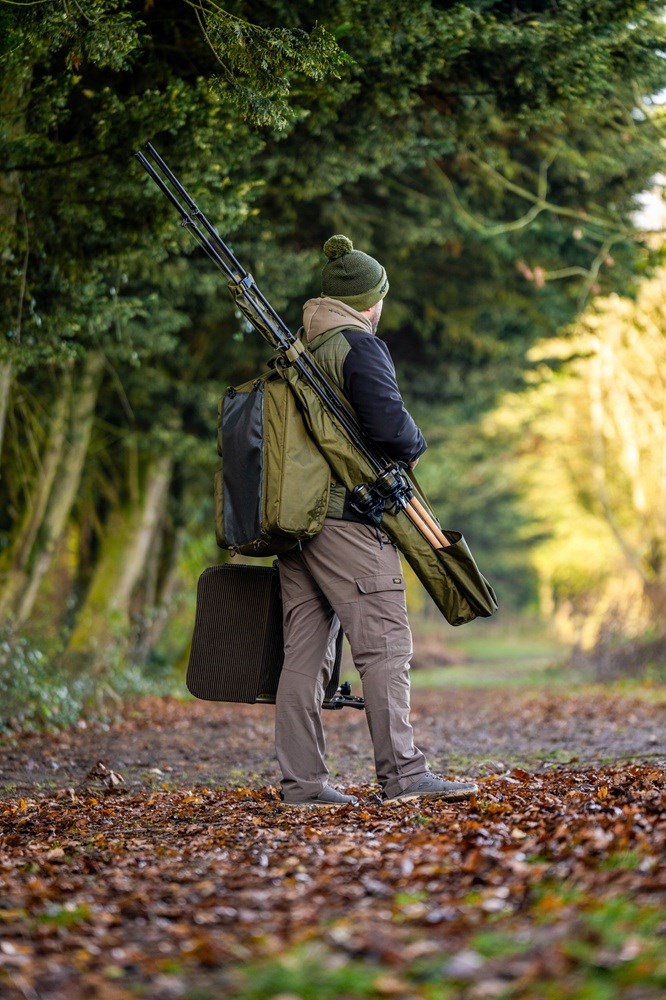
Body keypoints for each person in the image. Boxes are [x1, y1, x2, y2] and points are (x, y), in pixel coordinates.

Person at [275, 235, 478, 808]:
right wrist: (417, 442)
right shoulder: (358, 347)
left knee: (304, 657)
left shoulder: (301, 351)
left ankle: (303, 785)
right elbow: (392, 429)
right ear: (370, 300)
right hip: (351, 521)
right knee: (385, 645)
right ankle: (404, 776)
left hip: (300, 524)